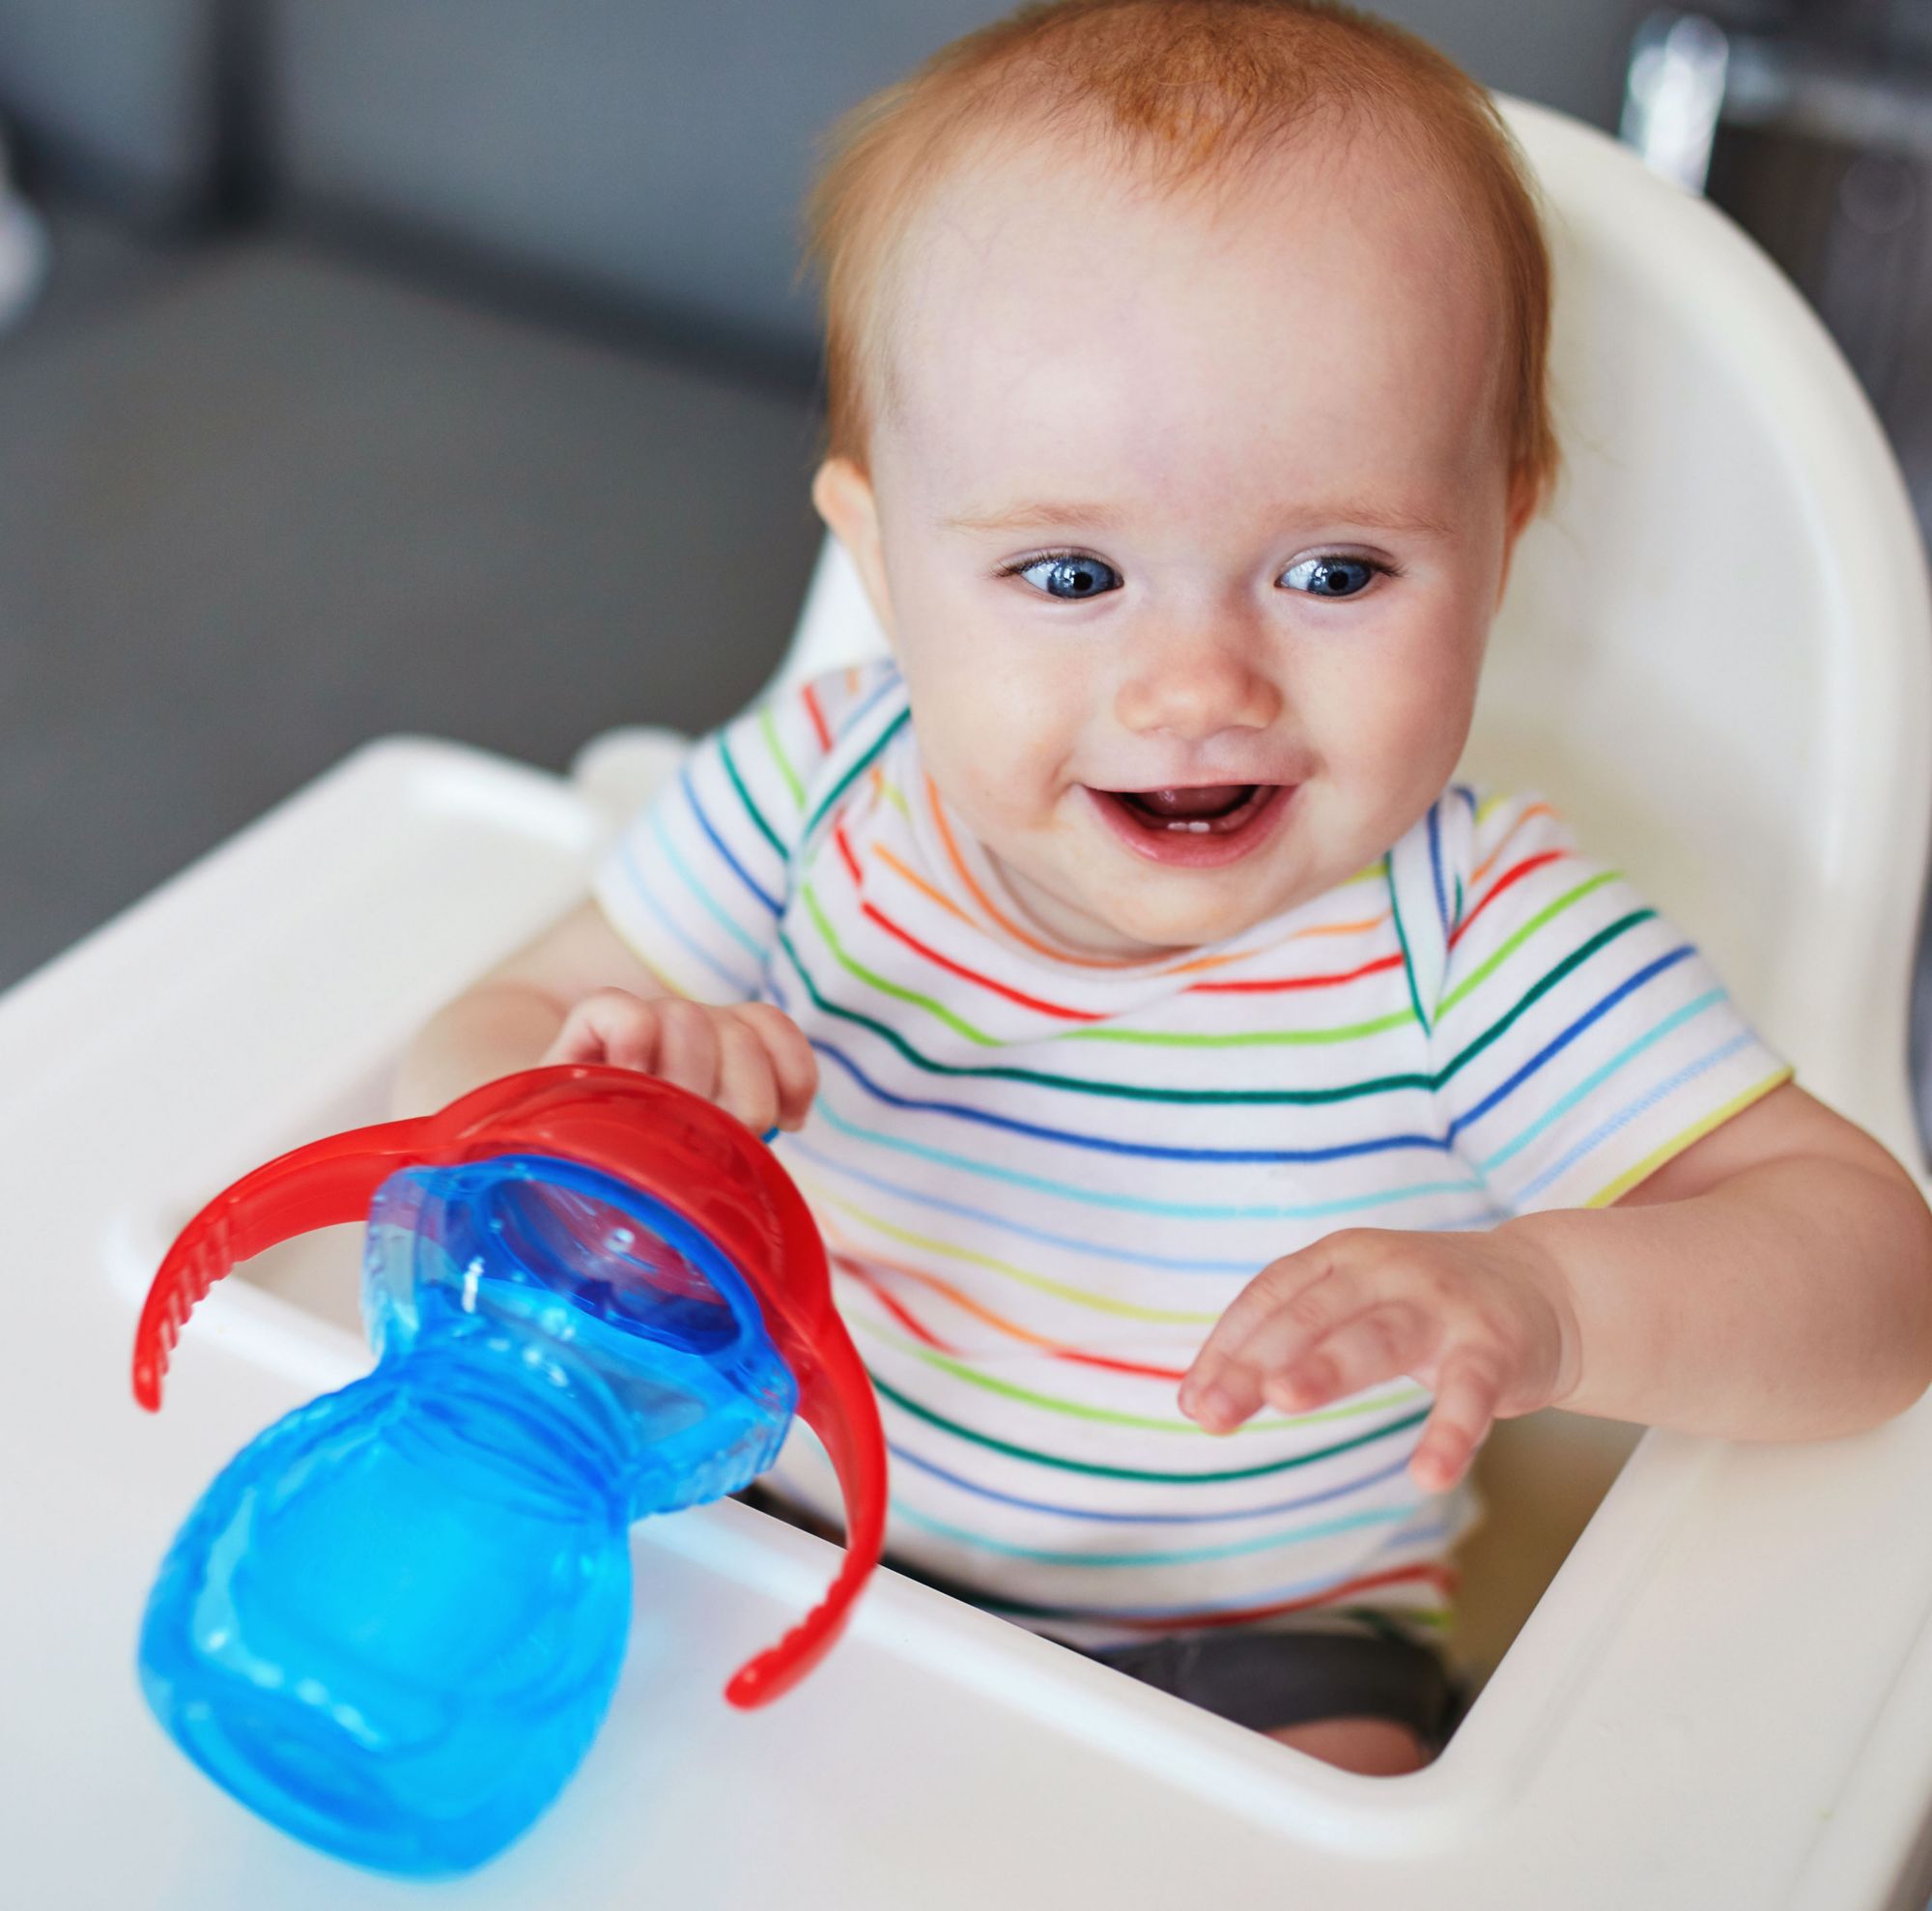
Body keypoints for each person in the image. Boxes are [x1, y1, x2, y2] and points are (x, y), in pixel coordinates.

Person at [394, 0, 1932, 1777]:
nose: (1200, 684)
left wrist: (1551, 1300)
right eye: (1069, 572)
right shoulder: (818, 782)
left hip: (1250, 1648)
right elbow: (465, 1049)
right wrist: (587, 1103)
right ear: (885, 564)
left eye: (1334, 567)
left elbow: (1874, 1281)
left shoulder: (1477, 936)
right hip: (758, 1514)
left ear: (1501, 543)